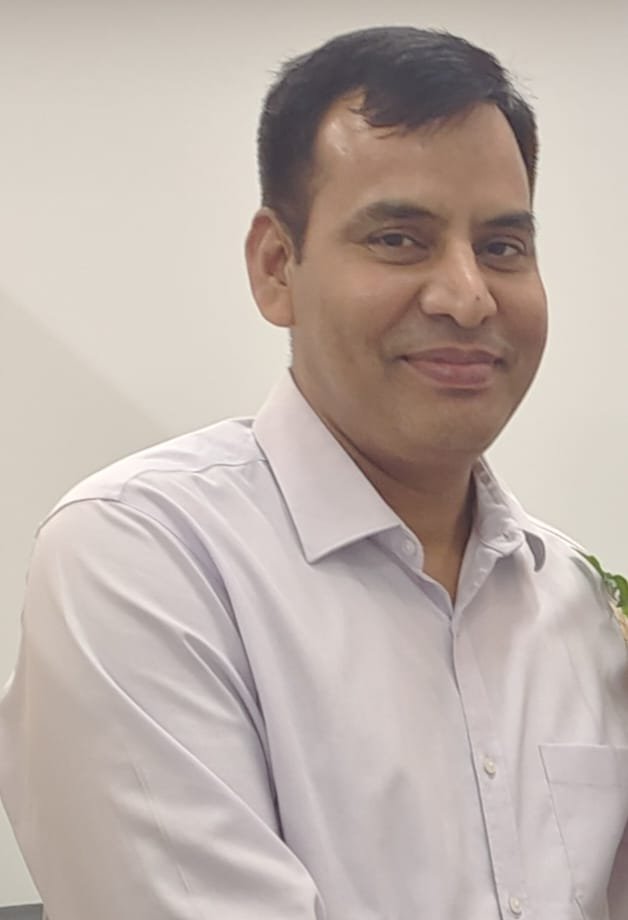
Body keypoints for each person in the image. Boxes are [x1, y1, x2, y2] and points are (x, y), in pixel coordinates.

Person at [1, 25, 627, 920]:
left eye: (501, 247)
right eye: (400, 239)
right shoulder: (145, 558)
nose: (468, 296)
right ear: (276, 268)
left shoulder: (575, 602)